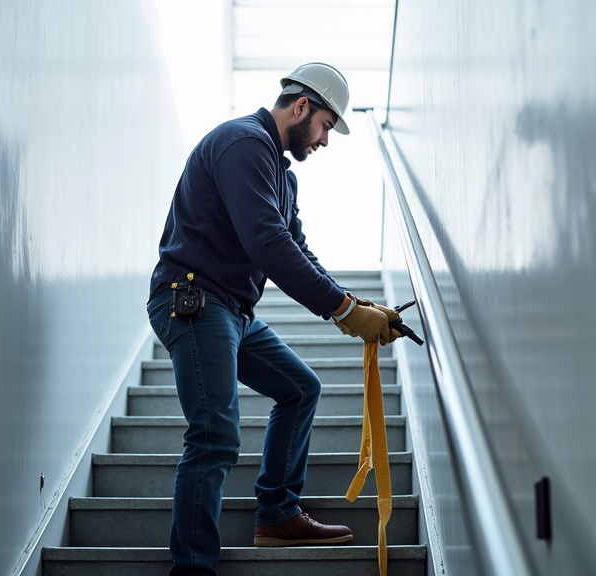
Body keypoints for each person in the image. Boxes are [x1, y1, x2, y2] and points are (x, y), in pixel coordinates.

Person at [146, 62, 400, 576]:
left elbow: (297, 249)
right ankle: (192, 569)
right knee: (215, 435)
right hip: (193, 300)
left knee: (300, 388)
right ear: (301, 106)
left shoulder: (280, 174)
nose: (326, 140)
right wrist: (344, 312)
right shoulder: (243, 143)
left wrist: (356, 304)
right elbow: (268, 243)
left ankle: (278, 515)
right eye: (328, 125)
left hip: (232, 311)